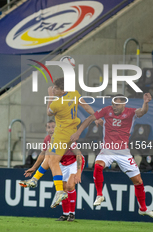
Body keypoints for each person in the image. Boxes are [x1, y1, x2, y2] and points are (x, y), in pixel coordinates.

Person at [70, 93, 153, 218]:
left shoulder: (130, 112)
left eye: (117, 104)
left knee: (138, 180)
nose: (114, 106)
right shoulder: (107, 110)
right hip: (108, 150)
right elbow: (90, 118)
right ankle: (99, 195)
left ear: (123, 103)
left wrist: (146, 103)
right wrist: (78, 132)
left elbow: (142, 111)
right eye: (113, 103)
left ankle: (143, 208)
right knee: (98, 166)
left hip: (123, 152)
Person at [43, 77, 102, 208]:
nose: (54, 89)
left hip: (63, 135)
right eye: (53, 88)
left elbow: (48, 113)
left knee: (52, 161)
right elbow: (86, 106)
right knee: (54, 162)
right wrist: (96, 117)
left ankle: (58, 191)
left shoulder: (56, 104)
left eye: (56, 88)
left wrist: (50, 96)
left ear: (62, 90)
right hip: (71, 132)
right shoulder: (74, 94)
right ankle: (63, 200)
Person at [19, 120, 84, 222]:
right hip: (62, 163)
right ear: (46, 129)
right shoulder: (48, 139)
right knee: (62, 189)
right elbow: (43, 154)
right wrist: (33, 167)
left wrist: (79, 171)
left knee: (70, 186)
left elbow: (78, 154)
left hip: (74, 162)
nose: (51, 129)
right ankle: (65, 214)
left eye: (53, 127)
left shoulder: (66, 137)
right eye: (49, 127)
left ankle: (72, 213)